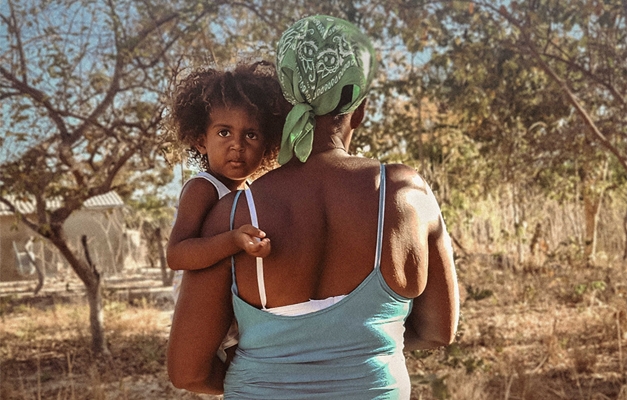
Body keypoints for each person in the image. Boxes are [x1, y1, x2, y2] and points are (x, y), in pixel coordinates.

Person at [168, 15, 460, 399]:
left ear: (281, 106)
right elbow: (440, 331)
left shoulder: (236, 216)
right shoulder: (406, 194)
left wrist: (264, 380)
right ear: (361, 108)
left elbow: (187, 373)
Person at [166, 61, 289, 357]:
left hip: (239, 308)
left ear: (268, 145)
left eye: (251, 135)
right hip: (206, 310)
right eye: (224, 133)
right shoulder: (203, 188)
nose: (237, 145)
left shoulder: (249, 194)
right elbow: (176, 254)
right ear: (200, 141)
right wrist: (234, 241)